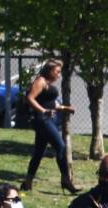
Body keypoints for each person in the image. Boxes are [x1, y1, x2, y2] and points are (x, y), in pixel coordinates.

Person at [20, 59, 80, 194]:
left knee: (39, 152)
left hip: (49, 119)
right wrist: (43, 111)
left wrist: (65, 108)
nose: (59, 75)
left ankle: (28, 182)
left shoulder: (47, 83)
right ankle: (66, 180)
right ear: (50, 70)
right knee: (61, 146)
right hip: (42, 120)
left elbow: (51, 103)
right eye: (57, 72)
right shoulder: (40, 81)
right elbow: (29, 98)